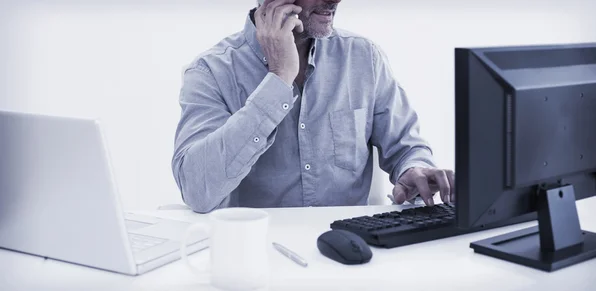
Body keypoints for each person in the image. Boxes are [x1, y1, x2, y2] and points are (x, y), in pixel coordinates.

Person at [172, 0, 455, 213]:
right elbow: (198, 191)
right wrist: (278, 79)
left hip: (350, 256)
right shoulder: (211, 71)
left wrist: (414, 168)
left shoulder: (363, 56)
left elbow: (406, 146)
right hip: (260, 258)